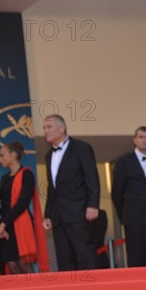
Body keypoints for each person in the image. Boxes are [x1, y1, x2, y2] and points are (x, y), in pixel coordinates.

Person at [0, 142, 49, 275]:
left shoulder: (27, 174)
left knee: (25, 268)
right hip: (6, 229)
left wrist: (3, 224)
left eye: (2, 155)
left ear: (13, 155)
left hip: (20, 224)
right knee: (12, 267)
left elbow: (23, 203)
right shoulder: (4, 178)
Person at [43, 114, 100, 271]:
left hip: (79, 211)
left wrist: (93, 205)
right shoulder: (48, 155)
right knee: (64, 258)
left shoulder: (82, 148)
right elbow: (52, 187)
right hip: (58, 215)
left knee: (85, 253)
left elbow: (92, 178)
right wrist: (48, 214)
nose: (45, 131)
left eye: (49, 127)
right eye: (44, 128)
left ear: (62, 128)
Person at [112, 126, 146, 267]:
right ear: (135, 140)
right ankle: (137, 288)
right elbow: (117, 192)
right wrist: (125, 216)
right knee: (136, 257)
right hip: (134, 217)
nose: (144, 141)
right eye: (141, 137)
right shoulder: (124, 161)